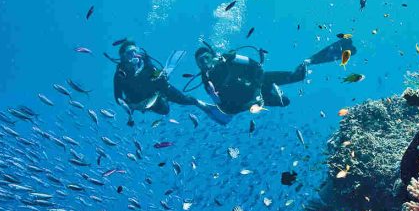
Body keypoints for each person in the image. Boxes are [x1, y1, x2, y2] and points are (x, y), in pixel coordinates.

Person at [192, 38, 356, 117]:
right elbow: (225, 109)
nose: (205, 63)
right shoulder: (208, 83)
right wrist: (214, 96)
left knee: (298, 76)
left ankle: (310, 61)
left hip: (260, 81)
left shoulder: (228, 60)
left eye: (207, 58)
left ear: (213, 55)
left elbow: (256, 66)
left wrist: (235, 59)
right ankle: (272, 92)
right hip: (249, 100)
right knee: (284, 102)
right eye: (201, 62)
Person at [109, 40, 230, 125]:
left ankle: (205, 106)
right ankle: (161, 100)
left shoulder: (146, 63)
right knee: (165, 110)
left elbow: (153, 73)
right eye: (129, 53)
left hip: (157, 91)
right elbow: (118, 97)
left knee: (184, 99)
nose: (134, 55)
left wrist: (161, 74)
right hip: (140, 102)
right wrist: (130, 107)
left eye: (135, 51)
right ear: (122, 57)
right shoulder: (119, 75)